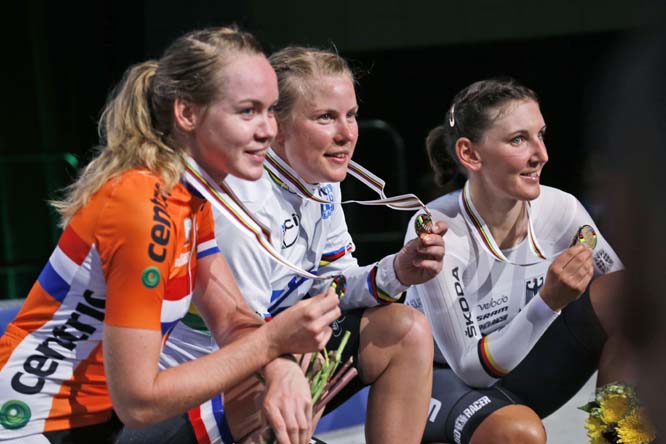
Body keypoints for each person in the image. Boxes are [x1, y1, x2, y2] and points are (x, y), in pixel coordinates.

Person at [0, 27, 341, 444]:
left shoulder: (191, 198)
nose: (269, 129)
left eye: (271, 110)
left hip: (103, 424)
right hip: (36, 427)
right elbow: (139, 402)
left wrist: (279, 364)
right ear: (187, 114)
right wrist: (272, 342)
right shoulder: (141, 208)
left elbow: (232, 319)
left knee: (260, 395)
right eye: (248, 111)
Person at [153, 46, 447, 444]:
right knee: (306, 346)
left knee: (405, 329)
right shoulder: (242, 205)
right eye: (325, 117)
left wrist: (396, 271)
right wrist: (294, 359)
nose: (346, 134)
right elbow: (245, 341)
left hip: (272, 358)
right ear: (278, 125)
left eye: (352, 115)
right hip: (197, 394)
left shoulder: (320, 183)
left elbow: (334, 286)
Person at [403, 78, 631, 444]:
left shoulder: (561, 209)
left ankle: (616, 440)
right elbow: (472, 370)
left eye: (541, 135)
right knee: (518, 434)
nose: (540, 154)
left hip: (523, 371)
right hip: (444, 386)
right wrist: (548, 302)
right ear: (470, 154)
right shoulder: (437, 230)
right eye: (518, 140)